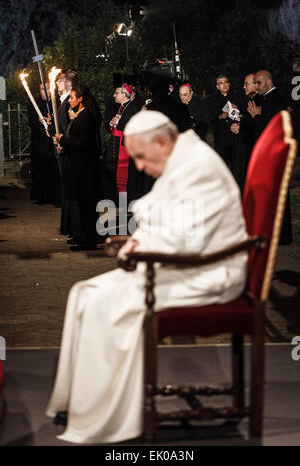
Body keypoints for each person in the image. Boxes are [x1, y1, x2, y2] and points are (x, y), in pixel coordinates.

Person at [46, 110, 248, 444]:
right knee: (84, 291)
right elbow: (162, 215)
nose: (138, 166)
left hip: (212, 272)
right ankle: (81, 403)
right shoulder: (182, 157)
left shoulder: (196, 167)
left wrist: (138, 247)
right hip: (188, 263)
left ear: (160, 142)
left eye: (140, 156)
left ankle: (105, 414)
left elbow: (186, 238)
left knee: (103, 301)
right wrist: (141, 240)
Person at [53, 84, 101, 251]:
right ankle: (82, 235)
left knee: (87, 205)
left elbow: (82, 143)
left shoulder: (86, 117)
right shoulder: (80, 116)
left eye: (72, 98)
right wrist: (63, 144)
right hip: (78, 166)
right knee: (81, 204)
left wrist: (63, 141)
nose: (70, 101)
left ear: (81, 99)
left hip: (84, 168)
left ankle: (89, 240)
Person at [247, 70, 292, 245]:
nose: (256, 86)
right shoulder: (265, 98)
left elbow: (271, 127)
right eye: (255, 83)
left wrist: (256, 116)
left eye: (258, 83)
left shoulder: (275, 99)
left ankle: (282, 235)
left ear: (268, 81)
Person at [103, 84, 145, 206]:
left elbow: (129, 125)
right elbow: (114, 124)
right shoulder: (120, 107)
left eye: (116, 93)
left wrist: (118, 122)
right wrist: (112, 122)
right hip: (116, 143)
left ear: (123, 94)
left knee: (127, 174)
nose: (114, 95)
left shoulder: (132, 108)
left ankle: (127, 200)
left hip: (124, 146)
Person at [28, 82, 60, 206]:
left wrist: (51, 124)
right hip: (40, 143)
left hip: (53, 142)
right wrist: (44, 125)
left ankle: (55, 196)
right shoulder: (34, 104)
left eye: (47, 88)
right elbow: (33, 123)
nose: (45, 91)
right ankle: (42, 196)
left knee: (54, 170)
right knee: (41, 170)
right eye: (42, 88)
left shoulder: (57, 103)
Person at [207, 74, 241, 171]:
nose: (224, 85)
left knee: (236, 165)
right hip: (221, 138)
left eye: (226, 82)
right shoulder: (211, 100)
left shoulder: (237, 97)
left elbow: (244, 113)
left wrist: (238, 109)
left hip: (236, 136)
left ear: (229, 84)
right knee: (223, 166)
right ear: (217, 86)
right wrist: (220, 116)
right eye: (221, 83)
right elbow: (210, 118)